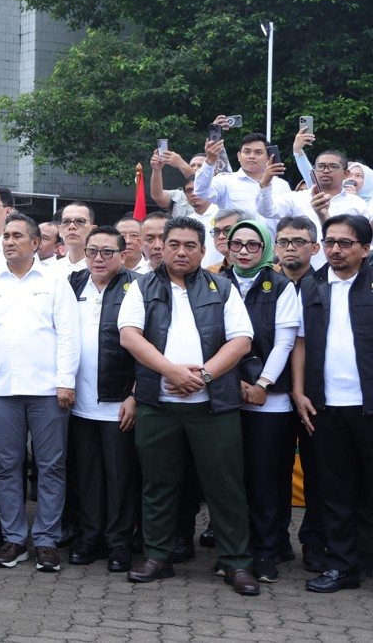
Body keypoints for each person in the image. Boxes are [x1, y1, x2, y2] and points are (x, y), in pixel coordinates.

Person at [118, 215, 259, 596]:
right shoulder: (142, 287)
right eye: (174, 244)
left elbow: (241, 341)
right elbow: (130, 337)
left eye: (190, 245)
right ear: (161, 247)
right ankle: (157, 557)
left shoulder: (223, 287)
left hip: (214, 407)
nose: (182, 251)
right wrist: (172, 373)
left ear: (203, 250)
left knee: (226, 486)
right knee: (158, 484)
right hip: (157, 405)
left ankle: (236, 563)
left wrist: (204, 377)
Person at [0, 212, 80, 572]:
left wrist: (66, 380)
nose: (10, 241)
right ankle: (14, 538)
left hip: (48, 391)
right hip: (1, 390)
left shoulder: (55, 280)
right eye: (7, 236)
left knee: (51, 466)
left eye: (18, 236)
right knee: (6, 466)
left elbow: (68, 333)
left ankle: (46, 539)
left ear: (35, 243)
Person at [292, 214, 373, 593]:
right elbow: (301, 342)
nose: (336, 249)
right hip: (325, 407)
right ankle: (343, 568)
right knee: (335, 492)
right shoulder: (311, 285)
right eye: (330, 242)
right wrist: (299, 391)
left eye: (346, 243)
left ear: (365, 248)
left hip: (368, 406)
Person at [222, 219, 300, 584]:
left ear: (265, 248)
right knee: (233, 479)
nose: (243, 251)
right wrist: (234, 382)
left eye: (253, 245)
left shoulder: (280, 285)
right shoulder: (217, 282)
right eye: (236, 243)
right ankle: (235, 549)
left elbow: (285, 342)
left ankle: (267, 551)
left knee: (267, 480)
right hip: (227, 395)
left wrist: (263, 384)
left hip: (269, 401)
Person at [67, 226, 139, 572]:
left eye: (107, 252)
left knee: (120, 477)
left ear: (122, 255)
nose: (98, 258)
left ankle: (119, 542)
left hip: (118, 401)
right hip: (79, 402)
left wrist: (135, 395)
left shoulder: (137, 287)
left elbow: (151, 343)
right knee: (88, 475)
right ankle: (90, 536)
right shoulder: (73, 283)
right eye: (92, 250)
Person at [273, 215, 330, 573]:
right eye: (283, 241)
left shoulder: (327, 286)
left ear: (315, 247)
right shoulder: (266, 285)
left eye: (298, 240)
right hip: (272, 397)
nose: (290, 246)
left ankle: (315, 542)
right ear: (275, 247)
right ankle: (275, 540)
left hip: (319, 398)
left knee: (319, 473)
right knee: (271, 471)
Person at [196, 129, 291, 230]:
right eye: (247, 152)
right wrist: (210, 161)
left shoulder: (282, 185)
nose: (251, 156)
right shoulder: (225, 181)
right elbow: (201, 191)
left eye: (258, 153)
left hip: (271, 243)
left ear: (268, 158)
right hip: (236, 243)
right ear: (238, 156)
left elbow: (287, 219)